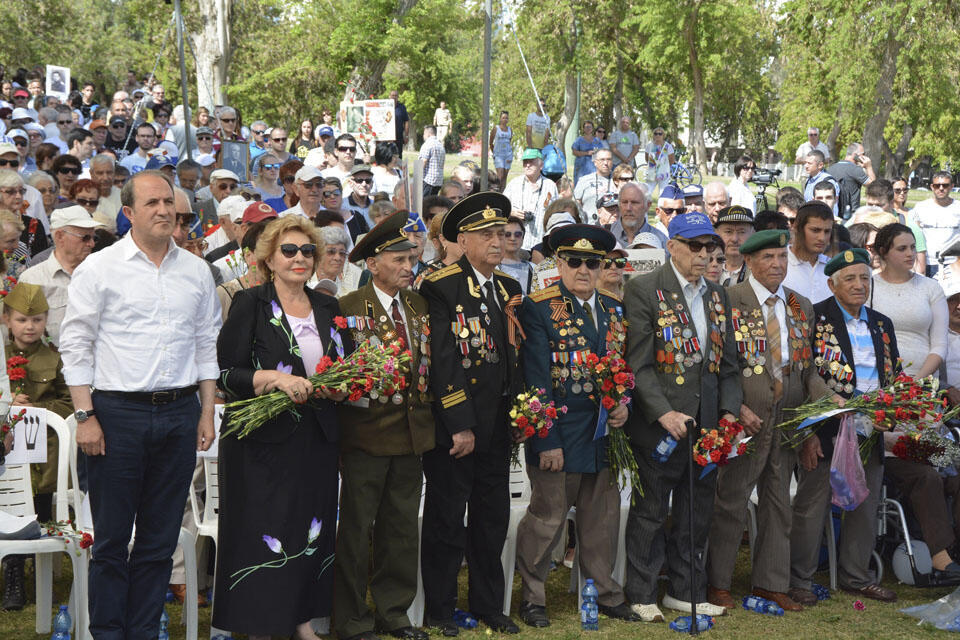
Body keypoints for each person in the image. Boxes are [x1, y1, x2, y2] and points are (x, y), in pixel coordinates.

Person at [59, 170, 220, 638]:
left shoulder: (195, 271)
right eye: (152, 203)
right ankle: (108, 632)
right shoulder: (101, 267)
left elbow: (205, 344)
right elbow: (76, 345)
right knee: (111, 541)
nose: (165, 210)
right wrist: (85, 416)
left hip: (179, 413)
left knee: (159, 538)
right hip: (116, 415)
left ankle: (145, 630)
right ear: (128, 213)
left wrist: (206, 412)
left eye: (169, 202)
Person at [213, 215, 347, 639]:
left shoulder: (328, 305)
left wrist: (343, 385)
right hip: (261, 443)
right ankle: (258, 626)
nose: (300, 258)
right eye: (289, 251)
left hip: (317, 437)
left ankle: (302, 621)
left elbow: (346, 364)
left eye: (308, 251)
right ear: (269, 258)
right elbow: (226, 373)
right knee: (265, 530)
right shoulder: (250, 303)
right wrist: (272, 378)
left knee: (312, 528)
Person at [516, 224, 638, 628]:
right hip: (559, 436)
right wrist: (546, 440)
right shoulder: (539, 306)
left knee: (600, 520)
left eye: (593, 262)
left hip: (603, 436)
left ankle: (603, 591)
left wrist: (624, 404)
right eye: (574, 261)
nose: (584, 269)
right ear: (558, 263)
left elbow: (622, 369)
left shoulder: (615, 308)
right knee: (547, 520)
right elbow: (535, 380)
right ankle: (532, 597)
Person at [623, 210, 742, 622]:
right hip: (662, 426)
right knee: (651, 512)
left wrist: (728, 412)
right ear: (671, 246)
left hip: (707, 426)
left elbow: (728, 364)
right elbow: (637, 365)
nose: (705, 254)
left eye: (711, 246)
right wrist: (663, 413)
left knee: (696, 512)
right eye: (695, 246)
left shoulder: (716, 294)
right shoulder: (643, 290)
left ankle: (684, 590)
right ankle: (641, 592)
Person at [706, 229, 831, 614]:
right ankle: (718, 583)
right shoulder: (728, 299)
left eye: (781, 257)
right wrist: (735, 408)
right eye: (768, 258)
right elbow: (717, 366)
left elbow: (807, 368)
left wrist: (824, 405)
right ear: (750, 262)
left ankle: (771, 583)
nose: (776, 265)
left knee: (778, 502)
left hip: (788, 419)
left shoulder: (800, 305)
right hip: (746, 419)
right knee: (731, 500)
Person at [419, 192, 524, 636]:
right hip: (458, 428)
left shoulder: (508, 288)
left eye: (501, 233)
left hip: (499, 425)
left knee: (492, 517)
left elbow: (514, 356)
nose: (497, 242)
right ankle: (440, 609)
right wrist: (460, 424)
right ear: (463, 239)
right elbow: (443, 359)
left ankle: (488, 604)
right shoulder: (440, 286)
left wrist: (522, 414)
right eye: (487, 234)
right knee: (447, 520)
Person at [333, 210, 433, 640]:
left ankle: (394, 613)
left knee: (401, 531)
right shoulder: (348, 308)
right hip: (366, 437)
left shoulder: (418, 304)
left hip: (412, 436)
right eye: (399, 260)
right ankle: (351, 619)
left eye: (411, 259)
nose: (408, 267)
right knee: (356, 534)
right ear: (373, 264)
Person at [789, 249, 901, 605]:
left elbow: (894, 375)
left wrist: (896, 406)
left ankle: (856, 575)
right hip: (827, 429)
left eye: (865, 278)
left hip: (871, 426)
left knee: (864, 506)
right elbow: (804, 377)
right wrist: (807, 434)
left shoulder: (882, 323)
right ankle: (799, 580)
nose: (859, 285)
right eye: (850, 278)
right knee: (812, 506)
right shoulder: (815, 317)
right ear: (832, 283)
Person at [0, 283, 73, 609]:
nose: (30, 327)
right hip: (7, 456)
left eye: (37, 320)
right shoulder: (1, 357)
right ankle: (13, 577)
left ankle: (36, 567)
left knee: (40, 512)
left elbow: (70, 401)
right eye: (21, 320)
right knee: (9, 510)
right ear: (7, 320)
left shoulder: (54, 358)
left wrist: (39, 411)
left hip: (45, 454)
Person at [18, 205, 103, 346]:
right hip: (51, 363)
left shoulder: (101, 274)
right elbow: (21, 332)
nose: (92, 244)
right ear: (60, 236)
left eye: (95, 238)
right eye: (85, 238)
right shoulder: (33, 279)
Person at [503, 148, 558, 251]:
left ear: (541, 165)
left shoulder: (550, 186)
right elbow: (500, 209)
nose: (527, 165)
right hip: (516, 245)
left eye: (531, 162)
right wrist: (512, 213)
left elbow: (555, 214)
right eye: (525, 162)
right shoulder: (513, 184)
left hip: (540, 244)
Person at [782, 201, 833, 304]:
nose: (822, 238)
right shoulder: (778, 263)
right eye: (815, 230)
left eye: (827, 231)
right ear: (796, 227)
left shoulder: (833, 269)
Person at [912, 171, 960, 275]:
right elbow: (914, 235)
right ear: (932, 187)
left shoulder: (958, 207)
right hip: (929, 263)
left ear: (952, 186)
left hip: (953, 264)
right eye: (937, 185)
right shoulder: (921, 207)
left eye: (945, 185)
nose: (941, 188)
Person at [828, 142, 875, 217]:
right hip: (851, 214)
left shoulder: (831, 168)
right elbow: (874, 186)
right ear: (855, 155)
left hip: (833, 212)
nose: (865, 156)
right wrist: (869, 166)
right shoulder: (855, 169)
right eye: (863, 154)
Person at [314, 225, 362, 297]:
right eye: (331, 252)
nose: (338, 258)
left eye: (342, 253)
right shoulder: (302, 283)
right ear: (318, 254)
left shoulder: (353, 287)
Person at [714, 206, 754, 286]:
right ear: (717, 233)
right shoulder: (705, 267)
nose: (734, 239)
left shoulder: (758, 271)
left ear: (752, 233)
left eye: (742, 232)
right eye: (728, 232)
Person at [573, 148, 614, 223]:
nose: (605, 163)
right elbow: (576, 203)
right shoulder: (584, 180)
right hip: (589, 225)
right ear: (595, 162)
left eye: (608, 159)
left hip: (612, 226)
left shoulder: (619, 180)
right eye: (602, 160)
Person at [498, 217, 533, 294]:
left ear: (523, 237)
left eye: (517, 234)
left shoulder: (534, 268)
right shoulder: (490, 268)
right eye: (507, 234)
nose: (513, 238)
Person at [802, 151, 839, 215]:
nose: (806, 166)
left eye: (809, 163)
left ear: (820, 165)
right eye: (805, 163)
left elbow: (834, 207)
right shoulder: (809, 180)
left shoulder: (828, 181)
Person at [644, 127, 675, 197]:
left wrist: (663, 166)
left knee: (663, 194)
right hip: (651, 173)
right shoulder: (649, 146)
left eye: (660, 134)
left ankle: (661, 207)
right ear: (653, 135)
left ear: (663, 135)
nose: (657, 135)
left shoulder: (668, 146)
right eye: (656, 133)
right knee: (647, 193)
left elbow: (672, 160)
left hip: (664, 174)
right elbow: (647, 159)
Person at [571, 120, 603, 185]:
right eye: (586, 127)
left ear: (592, 129)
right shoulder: (579, 140)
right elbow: (574, 152)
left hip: (593, 167)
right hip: (580, 168)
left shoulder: (597, 140)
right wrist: (587, 153)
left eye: (590, 127)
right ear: (583, 129)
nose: (588, 128)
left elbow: (601, 152)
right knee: (580, 185)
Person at [419, 126, 445, 198]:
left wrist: (417, 177)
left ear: (428, 134)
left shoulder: (427, 144)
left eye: (424, 134)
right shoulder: (441, 146)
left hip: (428, 180)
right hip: (438, 180)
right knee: (433, 203)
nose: (423, 136)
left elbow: (423, 162)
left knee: (424, 204)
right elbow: (442, 165)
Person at [490, 110, 513, 188]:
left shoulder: (510, 130)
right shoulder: (496, 129)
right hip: (498, 155)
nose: (505, 119)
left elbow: (509, 142)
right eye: (503, 118)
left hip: (508, 155)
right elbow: (491, 142)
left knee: (504, 177)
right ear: (500, 118)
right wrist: (494, 153)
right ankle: (497, 192)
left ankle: (503, 193)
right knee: (500, 175)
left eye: (506, 118)